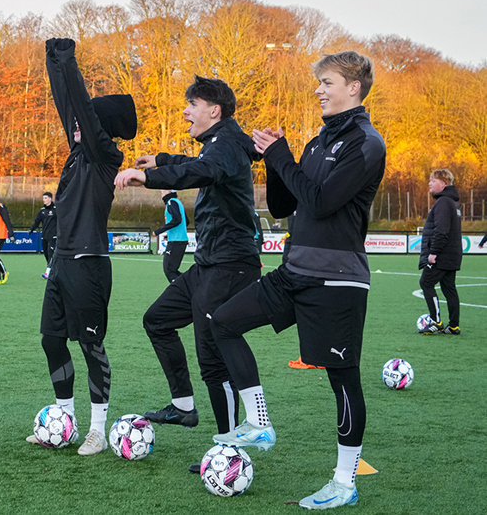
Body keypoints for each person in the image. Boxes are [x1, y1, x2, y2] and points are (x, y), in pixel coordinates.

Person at [206, 51, 385, 509]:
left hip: (337, 282)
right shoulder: (317, 142)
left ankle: (344, 482)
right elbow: (288, 204)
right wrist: (271, 158)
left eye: (327, 82)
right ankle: (259, 420)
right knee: (221, 323)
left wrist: (282, 154)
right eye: (319, 83)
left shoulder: (367, 144)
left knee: (343, 381)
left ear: (353, 87)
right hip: (293, 272)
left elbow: (323, 202)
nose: (319, 90)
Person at [114, 77, 262, 463]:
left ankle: (229, 449)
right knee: (157, 320)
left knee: (212, 359)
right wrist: (163, 160)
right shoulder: (219, 143)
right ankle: (183, 407)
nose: (185, 111)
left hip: (230, 265)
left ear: (214, 110)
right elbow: (196, 165)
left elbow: (201, 172)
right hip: (208, 263)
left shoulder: (228, 144)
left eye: (192, 104)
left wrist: (149, 177)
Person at [26, 38, 136, 456]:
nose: (74, 126)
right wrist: (53, 62)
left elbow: (83, 113)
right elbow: (68, 107)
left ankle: (96, 429)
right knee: (51, 341)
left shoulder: (105, 155)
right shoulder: (76, 156)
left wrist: (71, 63)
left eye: (84, 124)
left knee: (90, 346)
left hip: (89, 266)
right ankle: (64, 422)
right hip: (62, 263)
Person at [418, 169, 462, 335]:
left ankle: (436, 322)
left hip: (442, 254)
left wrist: (433, 252)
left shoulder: (443, 202)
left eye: (432, 180)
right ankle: (454, 326)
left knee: (426, 283)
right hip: (452, 254)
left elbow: (441, 230)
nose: (429, 183)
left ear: (443, 184)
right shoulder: (453, 202)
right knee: (449, 287)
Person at [152, 190, 188, 283]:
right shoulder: (177, 202)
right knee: (172, 270)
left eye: (163, 189)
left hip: (176, 241)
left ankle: (184, 291)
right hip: (178, 240)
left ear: (168, 191)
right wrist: (170, 234)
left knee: (170, 270)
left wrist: (159, 230)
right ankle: (191, 285)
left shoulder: (171, 202)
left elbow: (177, 219)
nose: (161, 191)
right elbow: (186, 221)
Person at [29, 191, 57, 278]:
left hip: (53, 236)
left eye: (45, 198)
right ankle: (52, 269)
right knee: (46, 254)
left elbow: (62, 221)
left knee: (50, 253)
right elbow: (37, 222)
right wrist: (32, 229)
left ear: (50, 199)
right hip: (44, 235)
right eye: (43, 198)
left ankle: (48, 272)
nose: (44, 200)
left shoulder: (56, 210)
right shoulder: (42, 211)